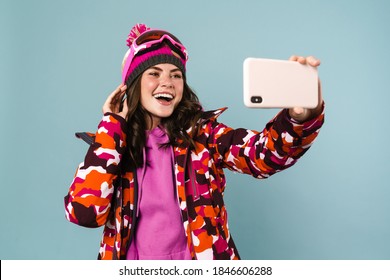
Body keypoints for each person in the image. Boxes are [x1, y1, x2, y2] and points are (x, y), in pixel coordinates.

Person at [64, 23, 325, 260]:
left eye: (176, 75)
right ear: (131, 86)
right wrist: (111, 126)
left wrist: (300, 116)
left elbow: (264, 157)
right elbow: (84, 213)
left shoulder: (205, 136)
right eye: (154, 73)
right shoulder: (112, 145)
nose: (167, 82)